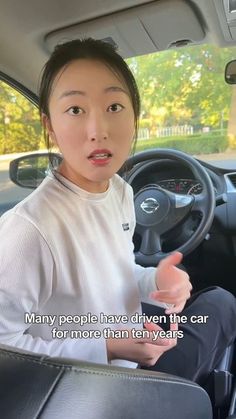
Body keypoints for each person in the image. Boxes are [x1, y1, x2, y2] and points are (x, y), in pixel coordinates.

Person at [0, 39, 235, 387]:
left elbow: (118, 273)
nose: (98, 131)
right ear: (49, 126)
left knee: (214, 302)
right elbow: (6, 351)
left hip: (130, 354)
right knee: (223, 303)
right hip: (91, 393)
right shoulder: (27, 230)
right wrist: (105, 348)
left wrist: (155, 281)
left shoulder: (120, 191)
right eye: (76, 110)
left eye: (113, 106)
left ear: (134, 116)